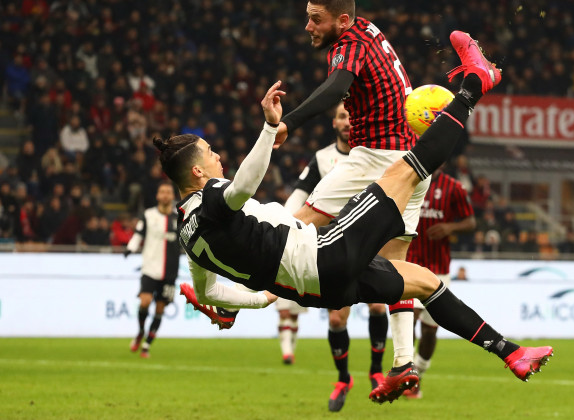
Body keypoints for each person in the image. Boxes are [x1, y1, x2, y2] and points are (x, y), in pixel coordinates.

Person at [161, 33, 552, 404]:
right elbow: (243, 185)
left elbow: (210, 293)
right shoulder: (212, 195)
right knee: (407, 168)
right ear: (196, 173)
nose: (216, 157)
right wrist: (268, 128)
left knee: (425, 283)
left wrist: (241, 306)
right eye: (209, 152)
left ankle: (511, 353)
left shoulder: (187, 234)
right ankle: (474, 84)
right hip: (325, 254)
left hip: (319, 291)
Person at [273, 0, 426, 400]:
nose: (308, 25)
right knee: (398, 269)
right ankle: (403, 364)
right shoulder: (369, 30)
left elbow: (337, 88)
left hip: (375, 155)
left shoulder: (350, 43)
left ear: (342, 19)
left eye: (315, 18)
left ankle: (238, 300)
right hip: (410, 160)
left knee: (302, 224)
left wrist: (288, 122)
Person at [274, 103, 389, 412]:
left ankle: (377, 370)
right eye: (341, 115)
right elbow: (299, 195)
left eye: (352, 115)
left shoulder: (378, 153)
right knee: (337, 317)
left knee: (379, 303)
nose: (348, 121)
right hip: (335, 244)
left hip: (373, 239)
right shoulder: (322, 159)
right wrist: (281, 227)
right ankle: (343, 378)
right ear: (334, 123)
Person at [403, 168, 476, 399]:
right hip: (409, 265)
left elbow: (471, 221)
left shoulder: (454, 187)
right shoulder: (407, 177)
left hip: (439, 270)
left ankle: (419, 374)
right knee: (408, 319)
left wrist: (450, 227)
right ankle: (407, 372)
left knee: (429, 330)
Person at [124, 182, 180, 358]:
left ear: (172, 196)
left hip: (170, 270)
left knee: (160, 308)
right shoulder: (148, 215)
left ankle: (147, 344)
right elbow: (139, 234)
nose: (165, 195)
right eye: (162, 192)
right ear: (157, 196)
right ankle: (141, 331)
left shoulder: (179, 216)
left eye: (168, 192)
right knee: (145, 302)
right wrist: (130, 248)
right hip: (150, 268)